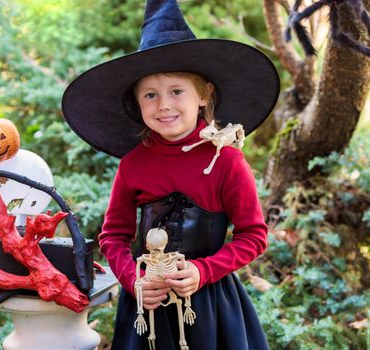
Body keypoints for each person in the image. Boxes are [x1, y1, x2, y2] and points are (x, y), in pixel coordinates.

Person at [62, 0, 280, 349]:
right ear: (138, 103)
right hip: (146, 306)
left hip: (210, 306)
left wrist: (202, 271)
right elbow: (113, 236)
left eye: (176, 91)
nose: (164, 104)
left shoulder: (226, 162)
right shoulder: (133, 164)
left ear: (204, 95)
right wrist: (134, 281)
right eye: (151, 95)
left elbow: (252, 236)